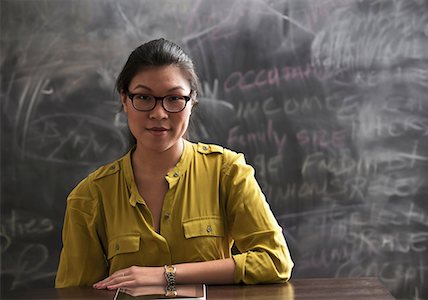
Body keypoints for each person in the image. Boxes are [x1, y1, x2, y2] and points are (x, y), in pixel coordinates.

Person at [55, 38, 294, 293]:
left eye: (174, 98)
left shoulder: (227, 171)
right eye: (144, 97)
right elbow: (76, 294)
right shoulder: (89, 196)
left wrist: (166, 275)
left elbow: (275, 261)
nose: (159, 113)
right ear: (124, 100)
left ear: (192, 101)